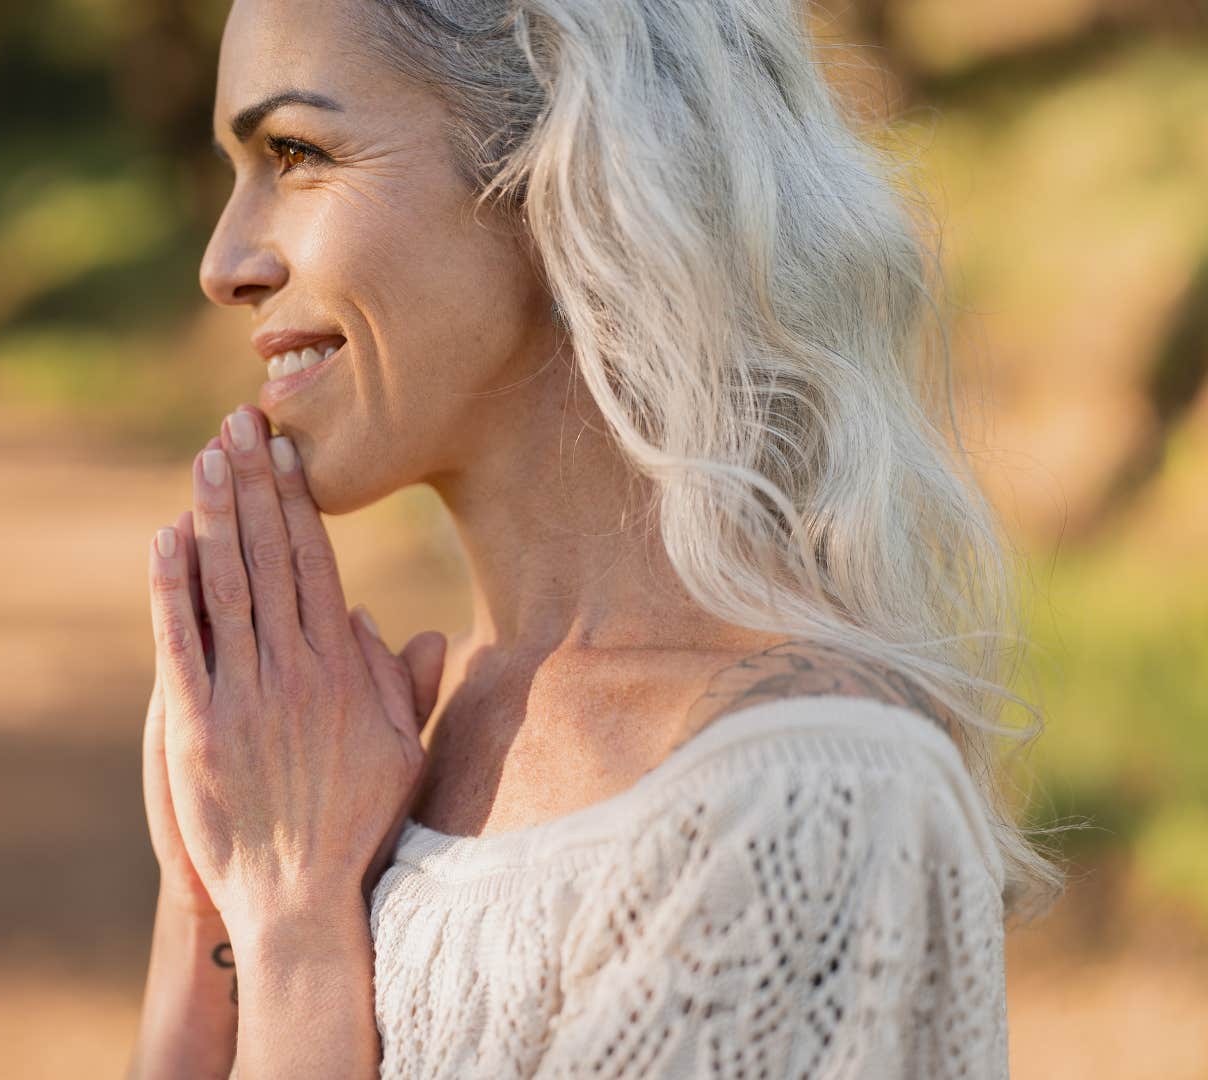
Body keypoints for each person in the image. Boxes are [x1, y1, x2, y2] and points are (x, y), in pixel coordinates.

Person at [130, 1, 1060, 1076]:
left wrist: (297, 941)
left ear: (563, 167)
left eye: (295, 152)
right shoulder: (361, 742)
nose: (223, 261)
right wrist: (210, 898)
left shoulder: (803, 795)